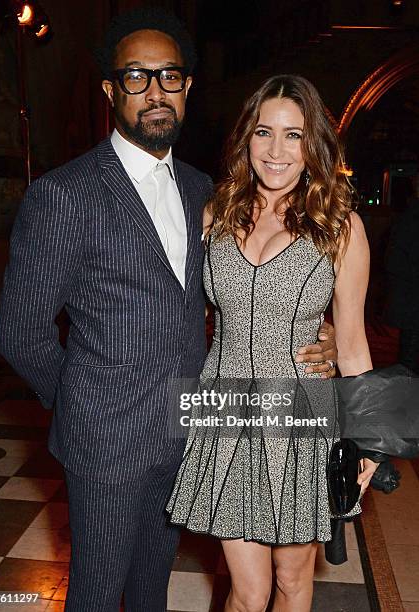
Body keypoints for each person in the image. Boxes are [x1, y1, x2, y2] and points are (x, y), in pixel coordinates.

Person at [0, 8, 338, 611]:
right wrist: (85, 401)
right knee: (97, 594)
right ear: (111, 91)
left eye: (169, 76)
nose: (155, 91)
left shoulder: (208, 191)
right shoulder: (63, 194)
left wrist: (319, 332)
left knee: (152, 587)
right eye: (136, 77)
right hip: (107, 438)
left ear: (187, 88)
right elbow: (18, 331)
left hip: (189, 429)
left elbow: (248, 292)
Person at [167, 75, 379, 612]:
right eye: (265, 132)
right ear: (247, 139)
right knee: (249, 589)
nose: (277, 151)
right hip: (227, 412)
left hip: (301, 418)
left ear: (314, 147)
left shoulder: (341, 230)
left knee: (291, 582)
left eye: (294, 134)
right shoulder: (213, 216)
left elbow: (352, 346)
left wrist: (369, 442)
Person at [385, 173, 419, 374]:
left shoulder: (409, 214)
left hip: (410, 305)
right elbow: (396, 262)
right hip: (413, 306)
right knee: (409, 367)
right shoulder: (413, 217)